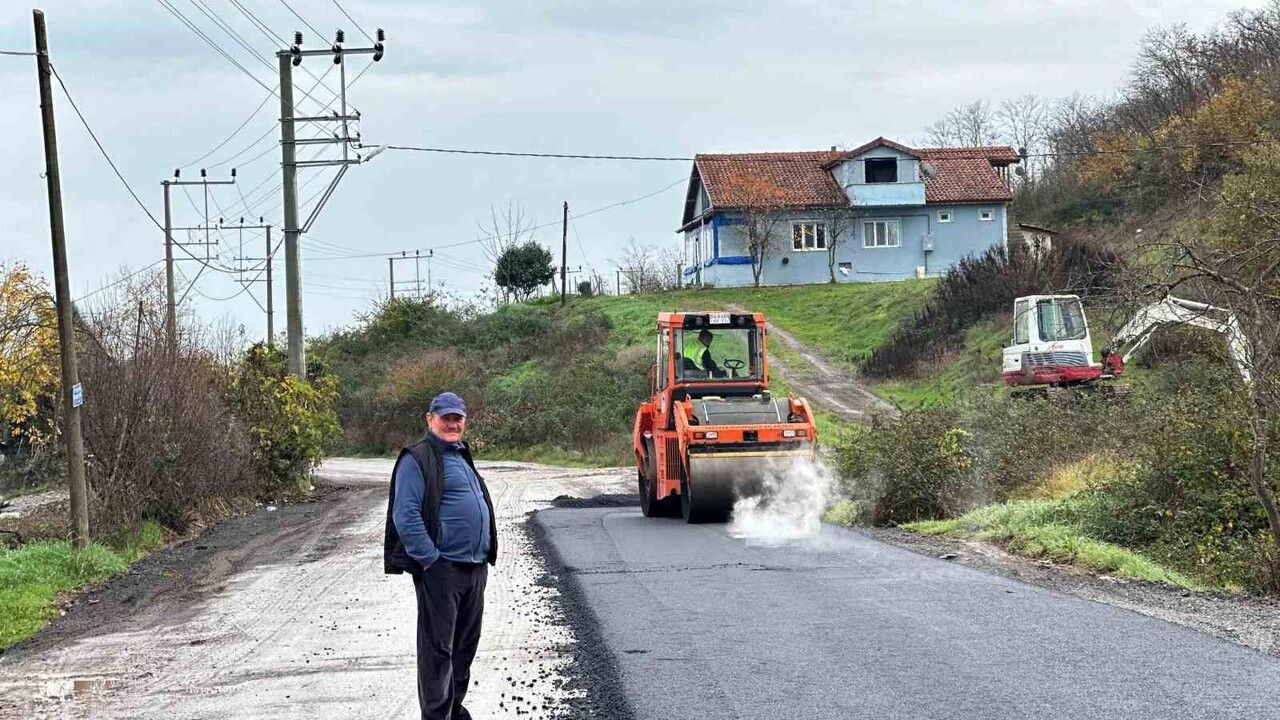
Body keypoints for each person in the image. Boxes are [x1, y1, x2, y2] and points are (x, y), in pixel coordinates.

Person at [384, 391, 498, 720]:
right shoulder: (417, 458)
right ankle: (436, 716)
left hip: (474, 568)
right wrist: (430, 560)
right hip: (441, 569)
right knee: (438, 653)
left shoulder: (461, 455)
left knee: (464, 649)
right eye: (445, 417)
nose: (452, 423)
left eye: (457, 417)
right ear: (429, 419)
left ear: (464, 420)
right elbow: (405, 515)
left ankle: (453, 711)